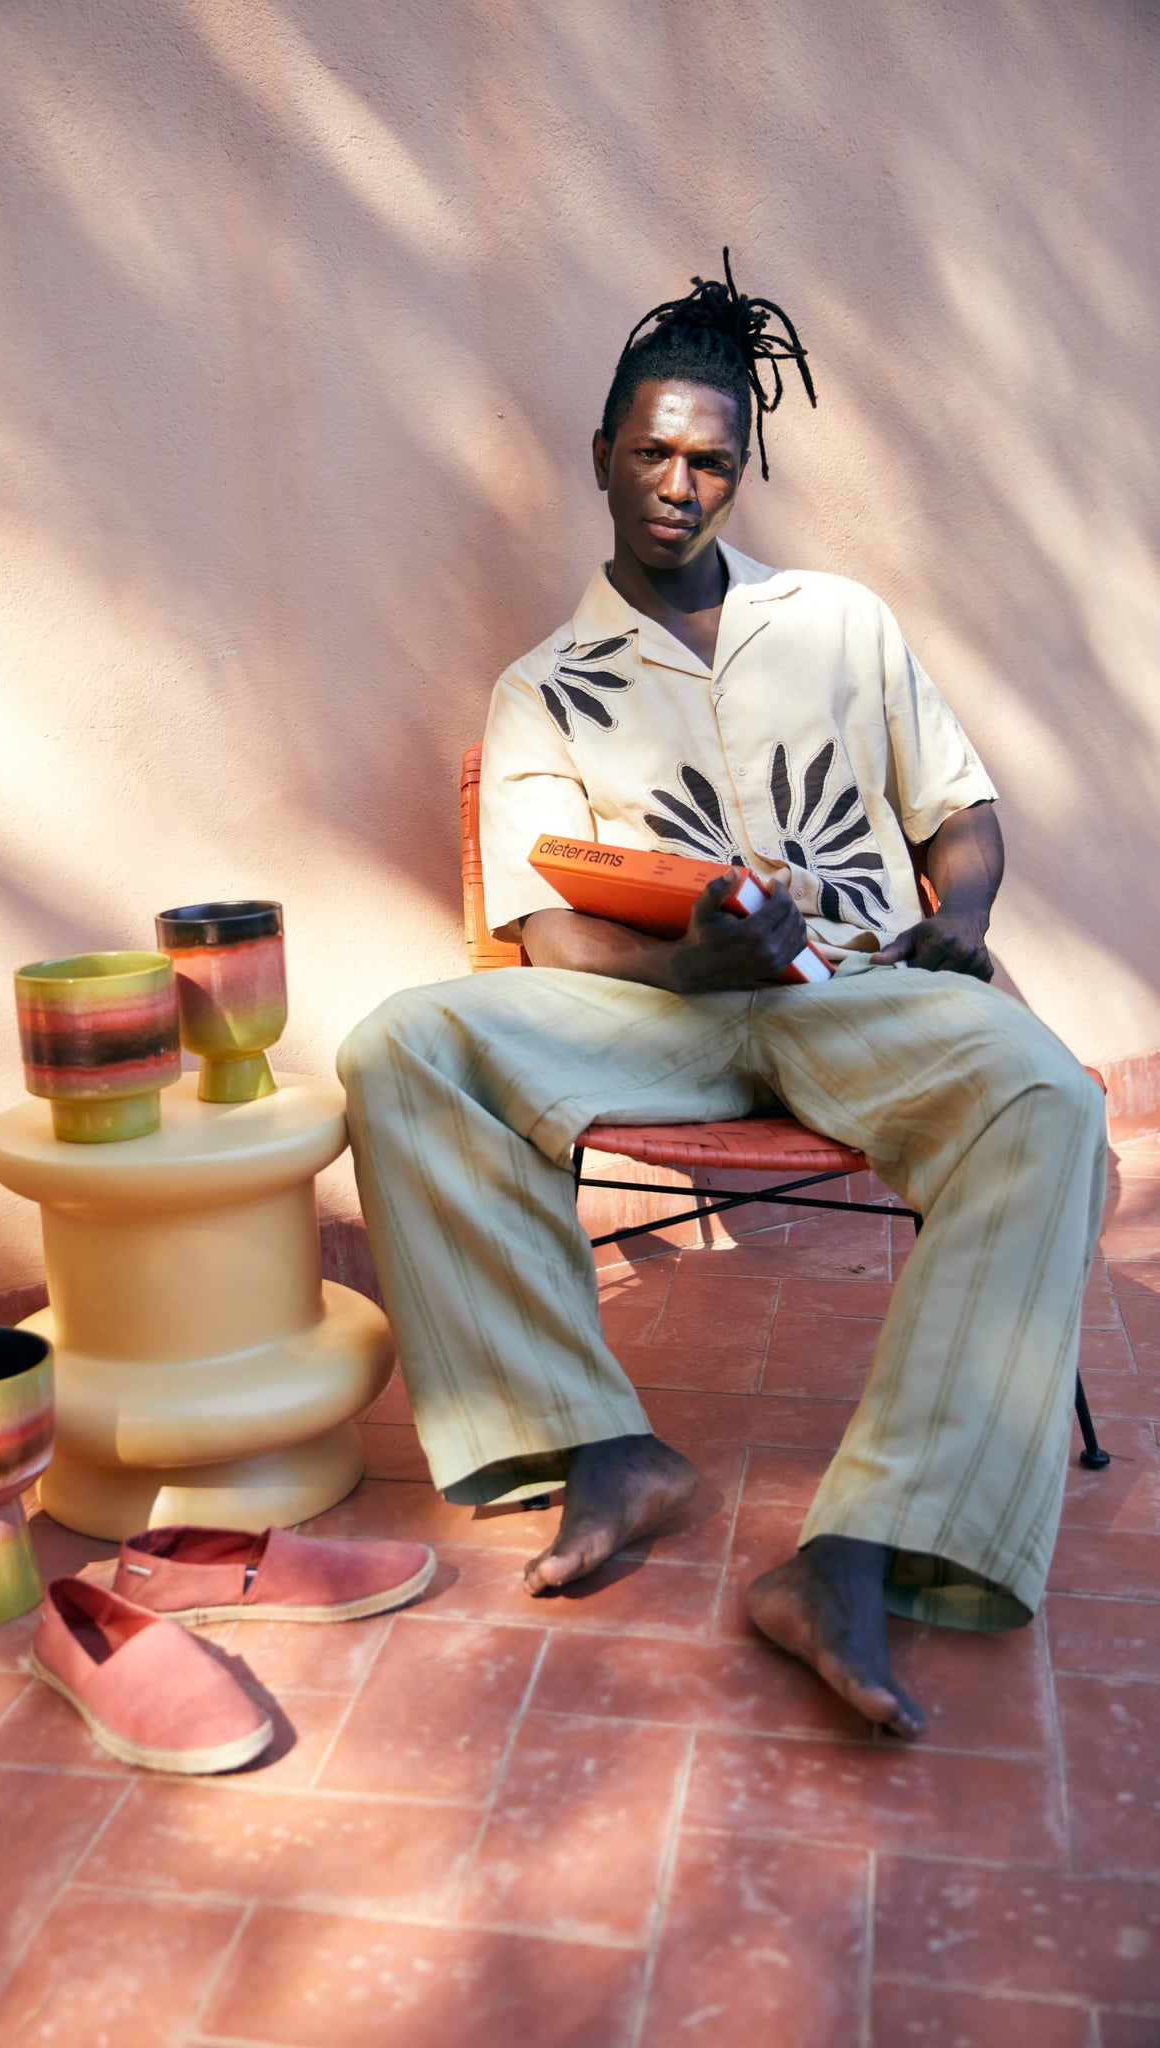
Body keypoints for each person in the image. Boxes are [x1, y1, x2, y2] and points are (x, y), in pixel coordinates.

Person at [337, 254, 1107, 1738]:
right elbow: (550, 935)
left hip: (856, 992)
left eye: (709, 463)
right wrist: (690, 964)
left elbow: (959, 809)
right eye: (651, 455)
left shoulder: (841, 623)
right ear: (601, 457)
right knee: (401, 1045)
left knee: (1044, 1098)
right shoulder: (546, 684)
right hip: (661, 1006)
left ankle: (857, 1552)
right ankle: (600, 1448)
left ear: (739, 473)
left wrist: (959, 919)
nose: (678, 487)